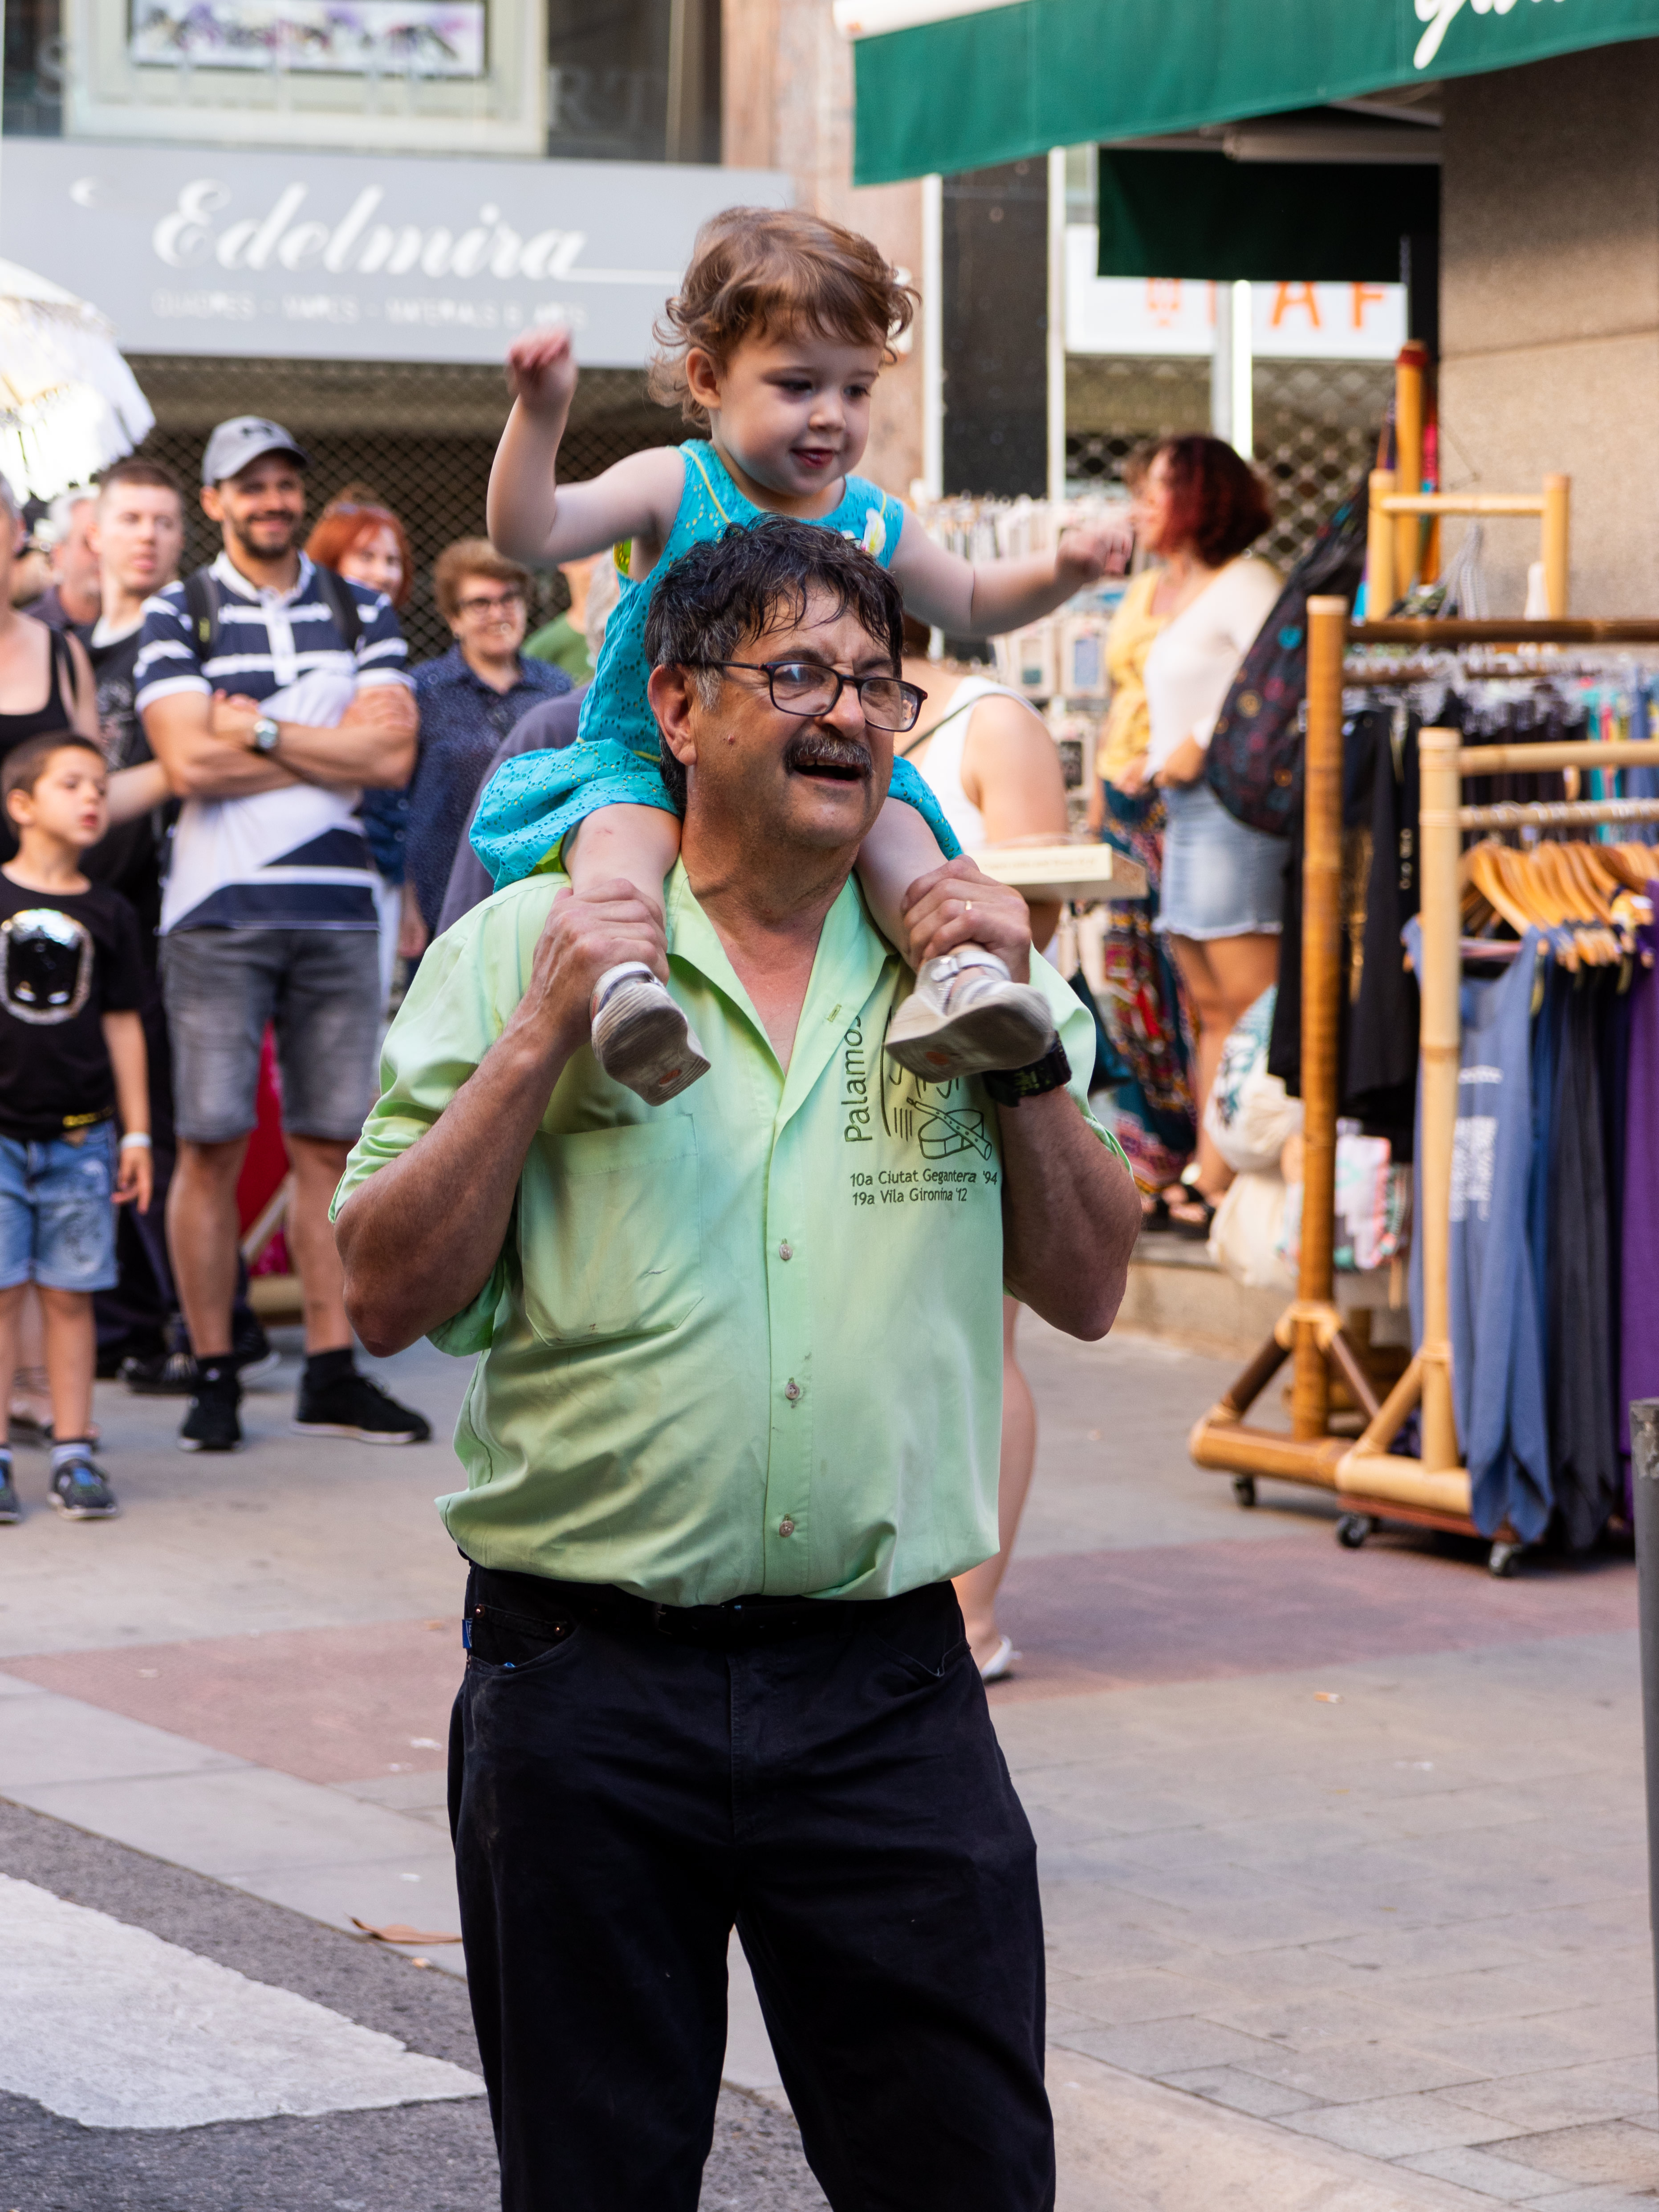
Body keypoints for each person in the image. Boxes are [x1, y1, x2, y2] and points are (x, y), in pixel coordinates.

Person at [333, 516, 1140, 2211]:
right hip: (583, 1688)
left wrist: (1020, 1054)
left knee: (966, 2176)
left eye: (875, 681)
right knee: (598, 2178)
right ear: (679, 706)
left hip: (888, 1694)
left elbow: (1086, 1285)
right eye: (797, 674)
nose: (846, 710)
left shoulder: (960, 959)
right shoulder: (530, 945)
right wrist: (542, 1035)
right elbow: (386, 1292)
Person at [482, 205, 1119, 1106]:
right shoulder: (677, 482)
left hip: (816, 769)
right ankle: (626, 991)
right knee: (618, 845)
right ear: (708, 377)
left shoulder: (871, 516)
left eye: (856, 389)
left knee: (901, 834)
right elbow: (530, 531)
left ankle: (956, 979)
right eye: (797, 384)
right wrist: (541, 411)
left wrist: (1062, 570)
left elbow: (973, 599)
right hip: (648, 761)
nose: (831, 416)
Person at [134, 415, 430, 1455]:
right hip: (214, 914)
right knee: (209, 1144)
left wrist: (254, 727)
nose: (271, 500)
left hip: (339, 911)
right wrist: (327, 743)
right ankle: (213, 1369)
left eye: (283, 482)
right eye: (248, 484)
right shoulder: (179, 608)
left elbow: (391, 759)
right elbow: (185, 765)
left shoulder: (360, 606)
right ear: (214, 501)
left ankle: (331, 1371)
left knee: (333, 1149)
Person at [897, 616, 1070, 1683]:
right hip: (865, 1063)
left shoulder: (987, 720)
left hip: (981, 1054)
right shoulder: (801, 710)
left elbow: (1037, 915)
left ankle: (973, 1616)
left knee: (982, 1337)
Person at [1117, 435, 1281, 1228]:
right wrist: (1153, 758)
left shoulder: (1248, 583)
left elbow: (1285, 682)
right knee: (1210, 1006)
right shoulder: (1185, 591)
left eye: (1157, 491)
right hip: (1184, 811)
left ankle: (1238, 1173)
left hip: (1232, 809)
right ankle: (1211, 1173)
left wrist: (1199, 742)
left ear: (1199, 500)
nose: (1141, 507)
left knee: (1248, 1003)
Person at [0, 734, 158, 1525]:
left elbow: (125, 1023)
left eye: (100, 784)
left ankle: (73, 1453)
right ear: (21, 805)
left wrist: (137, 1134)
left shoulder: (110, 911)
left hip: (81, 1140)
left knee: (71, 1296)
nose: (93, 796)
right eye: (71, 783)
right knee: (1, 1296)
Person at [401, 541, 569, 953]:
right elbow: (394, 800)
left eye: (509, 598)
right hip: (441, 897)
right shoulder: (423, 691)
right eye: (480, 603)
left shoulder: (556, 689)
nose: (498, 614)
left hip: (537, 895)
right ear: (453, 618)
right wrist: (405, 900)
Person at [305, 485, 423, 995]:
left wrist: (406, 891)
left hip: (381, 866)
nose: (383, 572)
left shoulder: (397, 664)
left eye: (392, 560)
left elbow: (395, 773)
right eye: (366, 557)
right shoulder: (306, 649)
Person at [23, 490, 101, 633]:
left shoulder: (138, 622)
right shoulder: (29, 630)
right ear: (59, 554)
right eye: (89, 542)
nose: (101, 552)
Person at [523, 551, 600, 681]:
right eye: (586, 553)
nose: (597, 563)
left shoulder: (633, 630)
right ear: (563, 560)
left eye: (604, 551)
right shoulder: (540, 650)